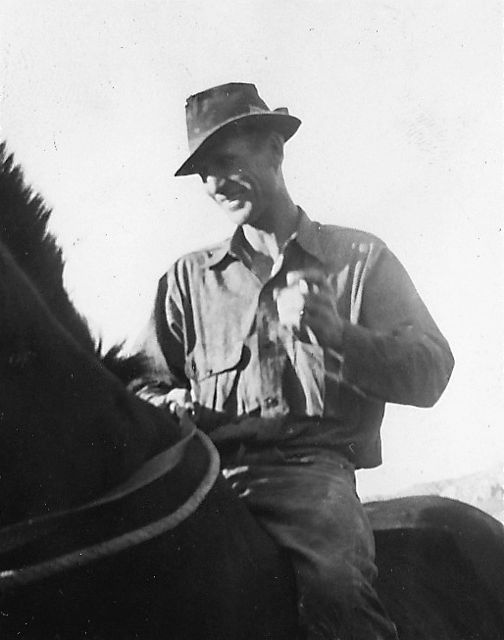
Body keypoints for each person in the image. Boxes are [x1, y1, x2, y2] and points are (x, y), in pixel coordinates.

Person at [135, 82, 454, 639]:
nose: (215, 184)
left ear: (274, 150)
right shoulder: (186, 281)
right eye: (204, 172)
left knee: (335, 590)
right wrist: (166, 405)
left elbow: (431, 373)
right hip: (209, 480)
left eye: (226, 161)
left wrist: (338, 335)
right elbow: (144, 387)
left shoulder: (359, 258)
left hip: (314, 478)